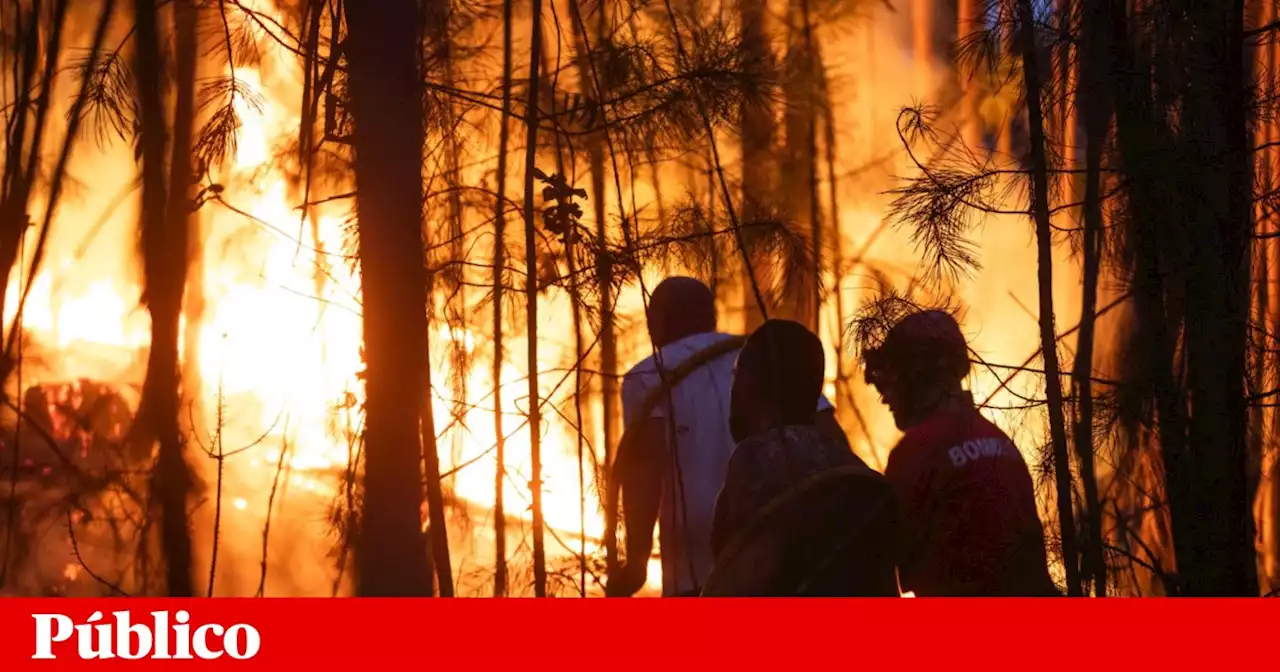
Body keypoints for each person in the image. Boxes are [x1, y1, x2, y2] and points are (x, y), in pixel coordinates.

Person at [605, 278, 846, 597]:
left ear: (657, 320)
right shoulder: (767, 357)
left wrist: (636, 561)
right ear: (711, 315)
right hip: (783, 544)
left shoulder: (650, 374)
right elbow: (832, 440)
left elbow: (645, 466)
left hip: (695, 560)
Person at [861, 308, 1059, 596]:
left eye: (890, 379)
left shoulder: (917, 451)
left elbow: (883, 565)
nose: (884, 396)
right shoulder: (1002, 444)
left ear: (916, 375)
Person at [703, 319, 900, 596]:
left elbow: (739, 572)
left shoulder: (755, 458)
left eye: (736, 375)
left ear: (748, 384)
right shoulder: (849, 464)